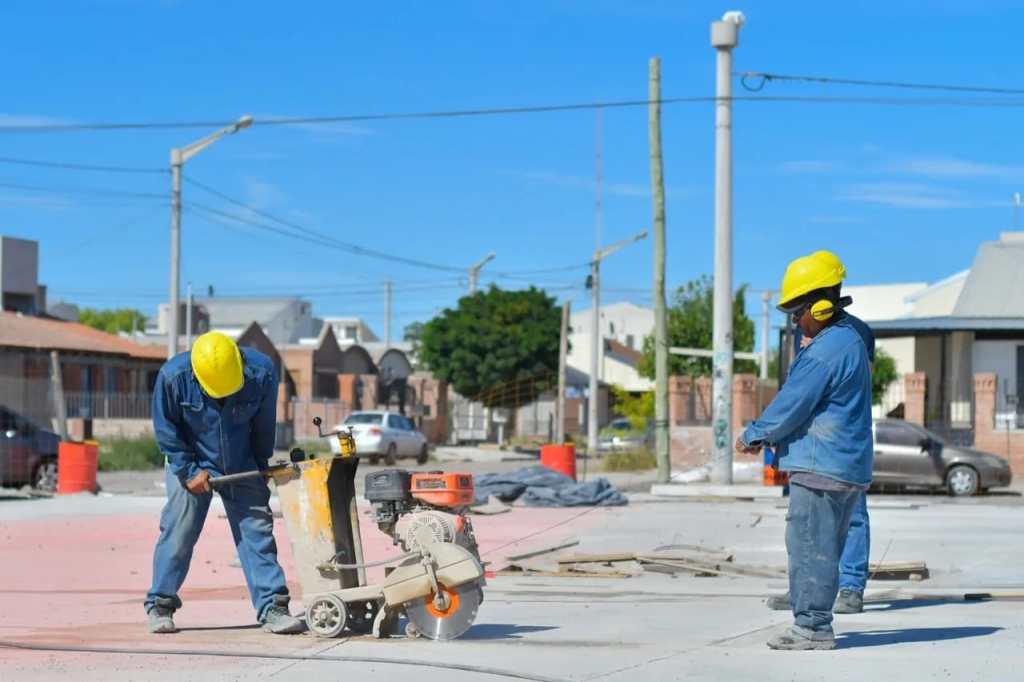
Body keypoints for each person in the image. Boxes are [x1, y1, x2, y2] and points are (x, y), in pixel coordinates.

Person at [736, 250, 873, 650]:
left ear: (822, 306)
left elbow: (791, 403)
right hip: (843, 462)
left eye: (798, 313)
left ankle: (811, 628)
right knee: (824, 547)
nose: (795, 321)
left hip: (821, 465)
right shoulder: (849, 338)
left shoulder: (826, 351)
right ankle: (812, 614)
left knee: (810, 545)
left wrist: (755, 434)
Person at [144, 332, 303, 635]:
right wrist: (189, 470)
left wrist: (259, 466)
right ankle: (160, 604)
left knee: (257, 530)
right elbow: (166, 432)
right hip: (189, 460)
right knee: (180, 529)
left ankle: (273, 606)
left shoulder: (263, 372)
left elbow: (263, 425)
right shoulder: (172, 376)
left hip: (241, 459)